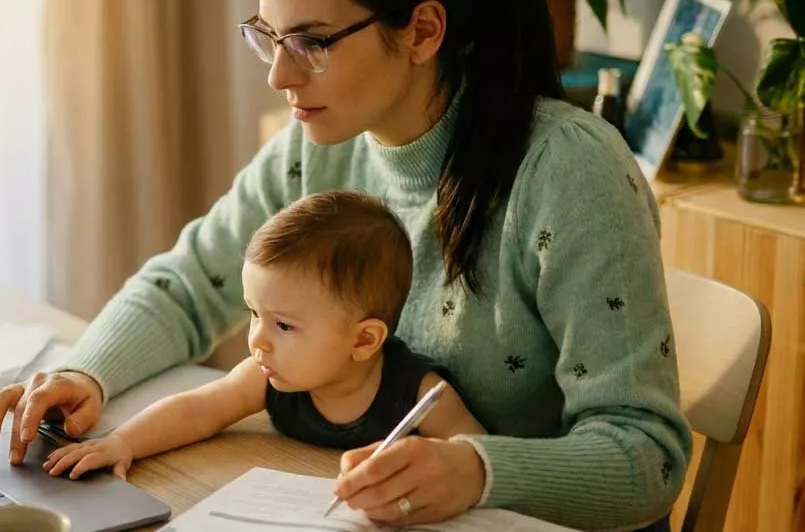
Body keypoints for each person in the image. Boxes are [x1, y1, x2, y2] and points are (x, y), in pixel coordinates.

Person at [0, 0, 689, 532]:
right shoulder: (319, 144)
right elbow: (189, 282)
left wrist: (476, 468)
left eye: (311, 41)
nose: (280, 74)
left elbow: (645, 455)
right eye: (270, 36)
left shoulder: (570, 173)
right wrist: (87, 372)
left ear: (423, 30)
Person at [41, 190, 484, 480]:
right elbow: (199, 410)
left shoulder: (422, 393)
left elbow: (480, 459)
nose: (257, 340)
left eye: (284, 325)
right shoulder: (266, 373)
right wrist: (123, 442)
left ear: (364, 340)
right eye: (255, 314)